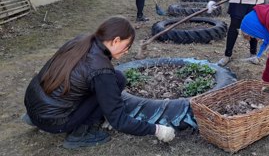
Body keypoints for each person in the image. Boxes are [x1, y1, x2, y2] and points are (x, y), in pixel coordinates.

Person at [22, 16, 175, 149]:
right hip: (54, 121)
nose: (126, 51)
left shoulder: (81, 40)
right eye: (127, 46)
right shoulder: (101, 71)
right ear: (116, 40)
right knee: (111, 84)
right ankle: (79, 135)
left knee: (118, 78)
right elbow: (119, 121)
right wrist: (157, 130)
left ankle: (36, 117)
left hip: (34, 105)